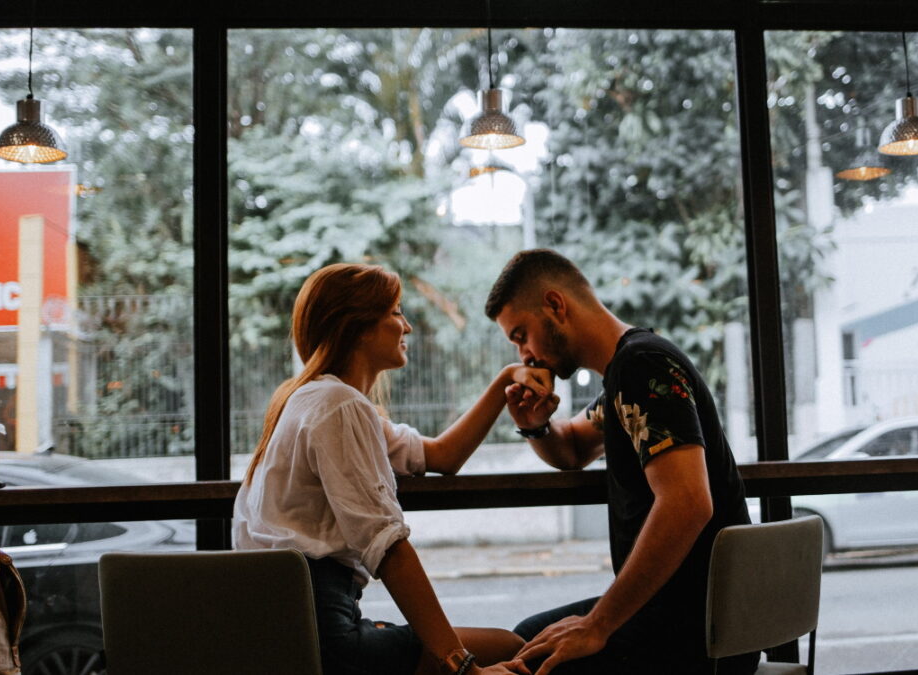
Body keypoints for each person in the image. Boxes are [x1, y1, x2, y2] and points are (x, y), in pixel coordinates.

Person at [234, 262, 544, 675]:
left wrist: (506, 379)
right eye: (397, 312)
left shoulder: (312, 400)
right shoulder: (339, 407)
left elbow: (443, 456)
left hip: (284, 633)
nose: (408, 326)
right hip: (326, 642)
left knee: (505, 647)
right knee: (512, 650)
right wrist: (464, 668)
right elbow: (389, 549)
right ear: (359, 327)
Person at [483, 249, 759, 675]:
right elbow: (573, 447)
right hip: (693, 616)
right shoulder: (625, 374)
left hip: (698, 630)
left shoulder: (641, 366)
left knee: (535, 657)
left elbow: (688, 502)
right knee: (528, 640)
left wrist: (598, 625)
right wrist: (537, 426)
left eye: (521, 335)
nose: (525, 356)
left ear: (555, 305)